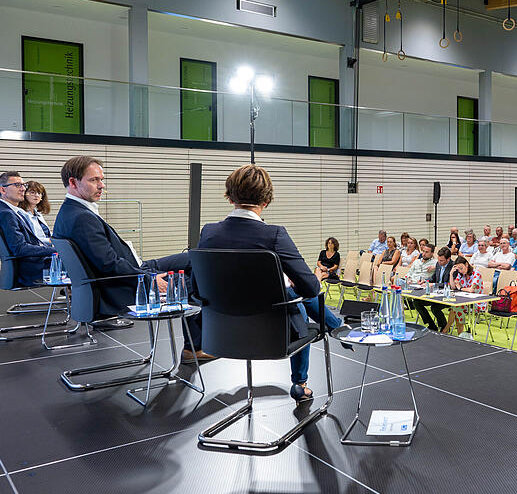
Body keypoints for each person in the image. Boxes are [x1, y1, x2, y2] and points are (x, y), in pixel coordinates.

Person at [195, 164, 339, 401]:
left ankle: (338, 328)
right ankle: (301, 381)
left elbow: (196, 286)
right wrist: (296, 282)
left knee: (291, 293)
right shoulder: (275, 235)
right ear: (267, 200)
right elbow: (311, 288)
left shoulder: (208, 233)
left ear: (230, 197)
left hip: (220, 335)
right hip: (271, 336)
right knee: (297, 297)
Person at [52, 156, 194, 324]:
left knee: (192, 258)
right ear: (73, 182)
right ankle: (197, 345)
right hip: (123, 285)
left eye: (101, 180)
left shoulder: (70, 211)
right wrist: (149, 279)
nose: (101, 185)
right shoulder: (81, 218)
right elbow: (109, 265)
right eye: (94, 180)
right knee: (196, 281)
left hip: (131, 269)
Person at [0, 171, 54, 287]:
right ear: (3, 190)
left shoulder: (7, 210)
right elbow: (19, 248)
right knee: (80, 261)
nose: (23, 189)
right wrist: (55, 250)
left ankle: (73, 295)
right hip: (30, 269)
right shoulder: (6, 214)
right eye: (18, 185)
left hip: (30, 264)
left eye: (24, 185)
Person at [412, 246, 454, 330]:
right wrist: (426, 281)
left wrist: (434, 284)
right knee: (417, 302)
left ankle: (444, 326)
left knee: (434, 308)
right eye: (438, 260)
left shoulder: (453, 267)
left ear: (448, 259)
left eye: (441, 260)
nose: (439, 262)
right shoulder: (438, 264)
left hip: (447, 295)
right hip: (436, 293)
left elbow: (449, 284)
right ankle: (431, 325)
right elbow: (434, 277)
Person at [447, 256, 484, 334]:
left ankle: (447, 329)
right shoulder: (461, 274)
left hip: (477, 303)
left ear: (466, 264)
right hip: (464, 301)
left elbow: (471, 290)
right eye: (458, 269)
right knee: (456, 307)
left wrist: (460, 288)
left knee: (456, 308)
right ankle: (459, 333)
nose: (460, 271)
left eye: (461, 268)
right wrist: (451, 274)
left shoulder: (476, 274)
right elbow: (453, 287)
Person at [21, 181, 52, 246]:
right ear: (24, 194)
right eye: (32, 192)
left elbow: (47, 233)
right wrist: (52, 241)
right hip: (39, 250)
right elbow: (34, 239)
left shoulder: (38, 213)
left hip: (48, 246)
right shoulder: (22, 214)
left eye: (39, 193)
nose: (37, 195)